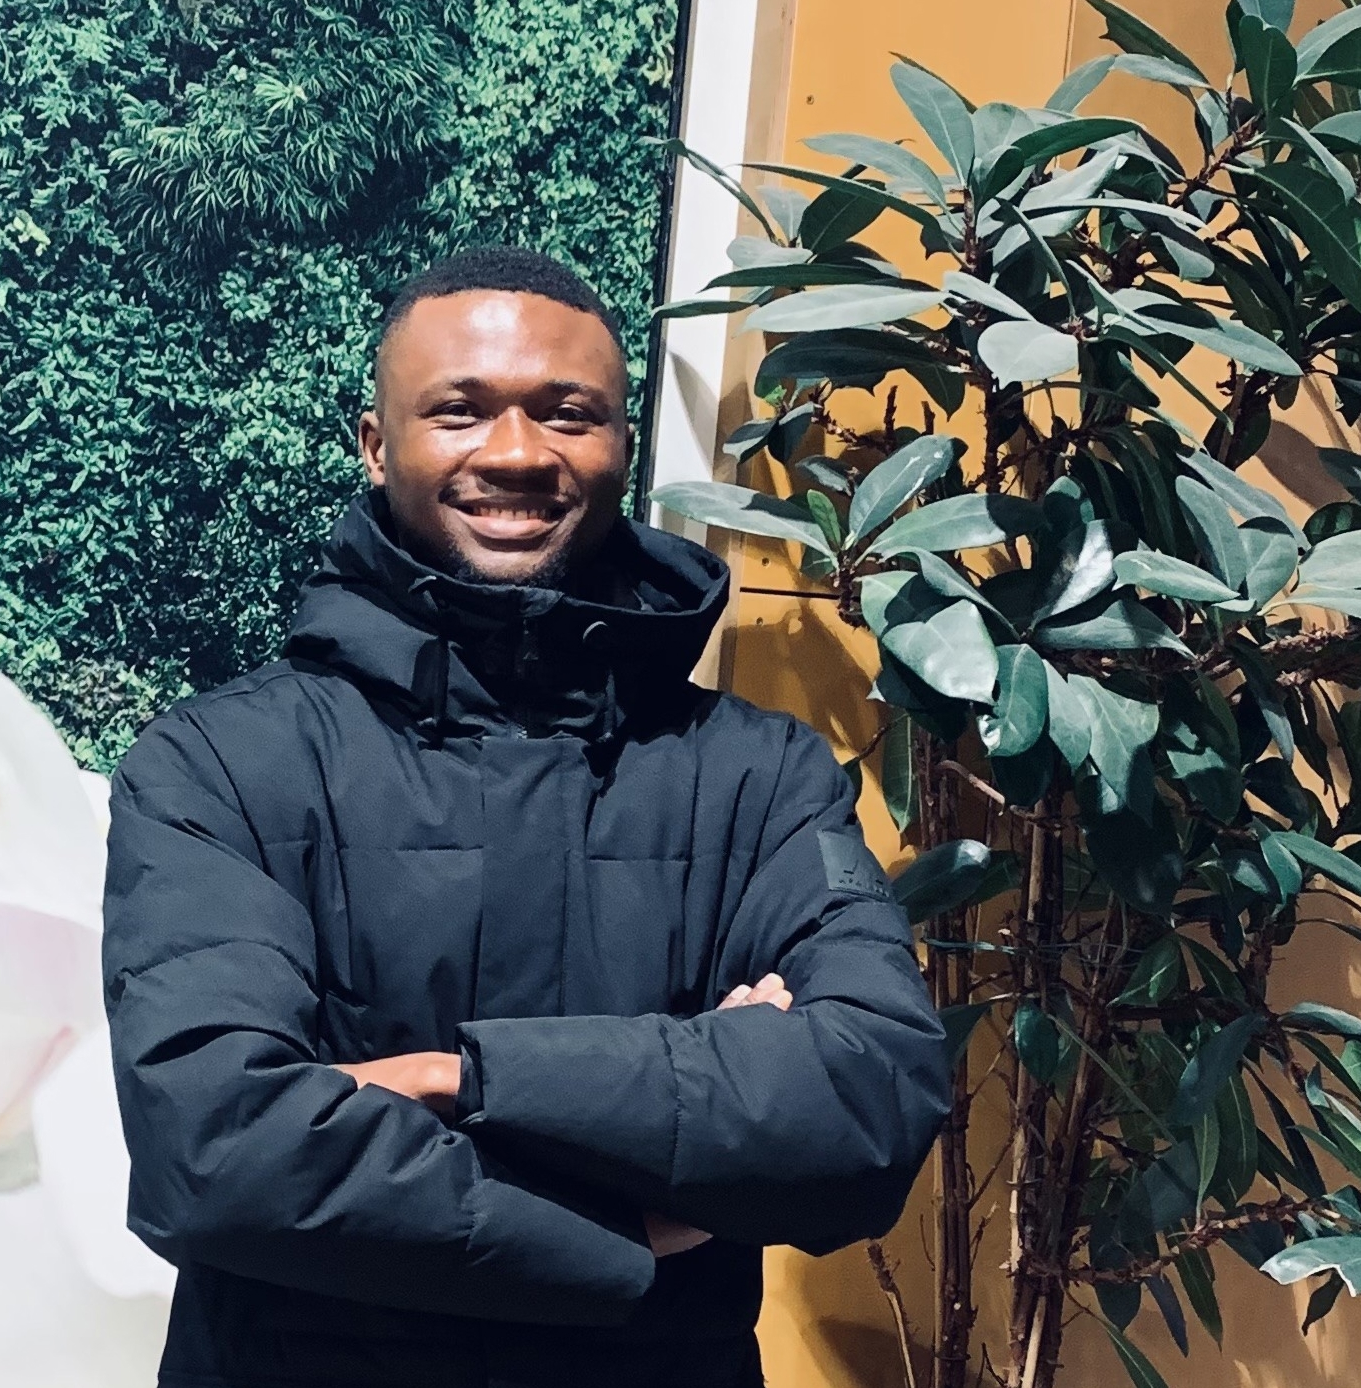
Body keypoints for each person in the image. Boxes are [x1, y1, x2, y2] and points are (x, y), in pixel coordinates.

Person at [102, 245, 949, 1388]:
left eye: (568, 413)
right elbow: (214, 1148)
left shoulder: (757, 775)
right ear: (375, 442)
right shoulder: (219, 762)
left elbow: (864, 1100)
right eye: (459, 410)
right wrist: (636, 1222)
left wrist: (454, 1078)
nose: (515, 452)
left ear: (619, 447)